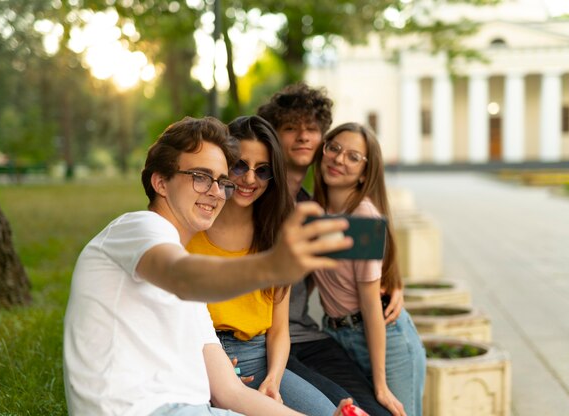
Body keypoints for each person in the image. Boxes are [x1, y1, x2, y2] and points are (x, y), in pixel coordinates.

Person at [62, 116, 354, 416]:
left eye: (222, 181)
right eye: (200, 176)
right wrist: (271, 266)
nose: (216, 192)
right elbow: (182, 277)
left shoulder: (193, 298)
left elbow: (231, 393)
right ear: (161, 182)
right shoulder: (138, 227)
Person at [258, 84, 393, 416]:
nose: (303, 137)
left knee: (379, 410)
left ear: (322, 141)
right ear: (274, 137)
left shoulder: (315, 208)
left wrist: (396, 284)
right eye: (290, 128)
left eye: (313, 130)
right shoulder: (254, 195)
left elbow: (369, 255)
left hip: (307, 335)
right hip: (262, 341)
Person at [187, 115, 337, 415]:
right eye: (240, 165)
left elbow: (279, 329)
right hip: (201, 357)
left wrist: (273, 379)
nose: (250, 179)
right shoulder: (192, 224)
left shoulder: (275, 235)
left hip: (259, 357)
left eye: (263, 170)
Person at [312, 122, 426, 416]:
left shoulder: (363, 217)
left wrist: (381, 385)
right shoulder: (316, 212)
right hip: (337, 335)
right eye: (334, 148)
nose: (339, 159)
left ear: (365, 172)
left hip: (384, 342)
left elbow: (370, 304)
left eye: (353, 157)